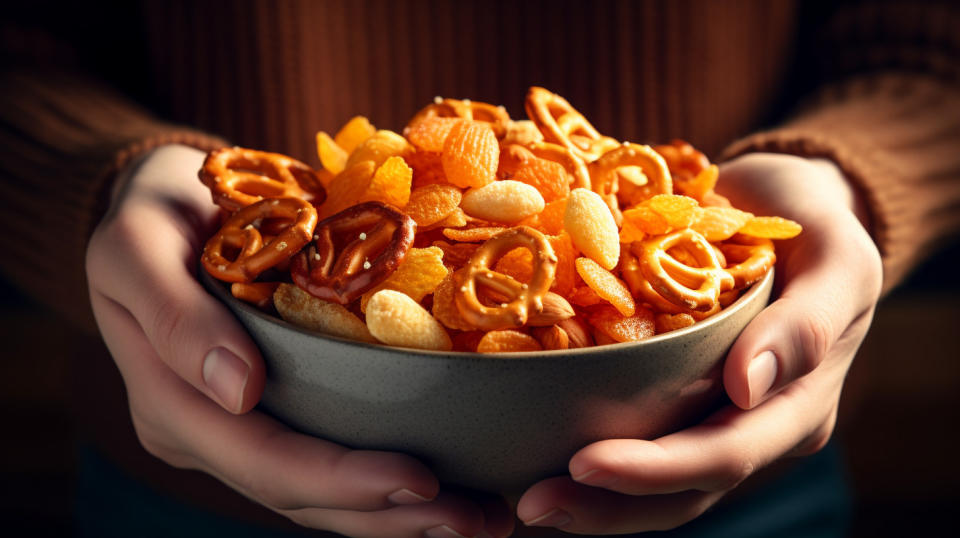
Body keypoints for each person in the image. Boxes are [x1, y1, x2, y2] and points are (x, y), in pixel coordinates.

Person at [2, 1, 958, 537]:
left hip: (741, 475)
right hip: (200, 489)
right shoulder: (385, 216)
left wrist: (844, 178)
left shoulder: (617, 242)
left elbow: (931, 49)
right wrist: (103, 183)